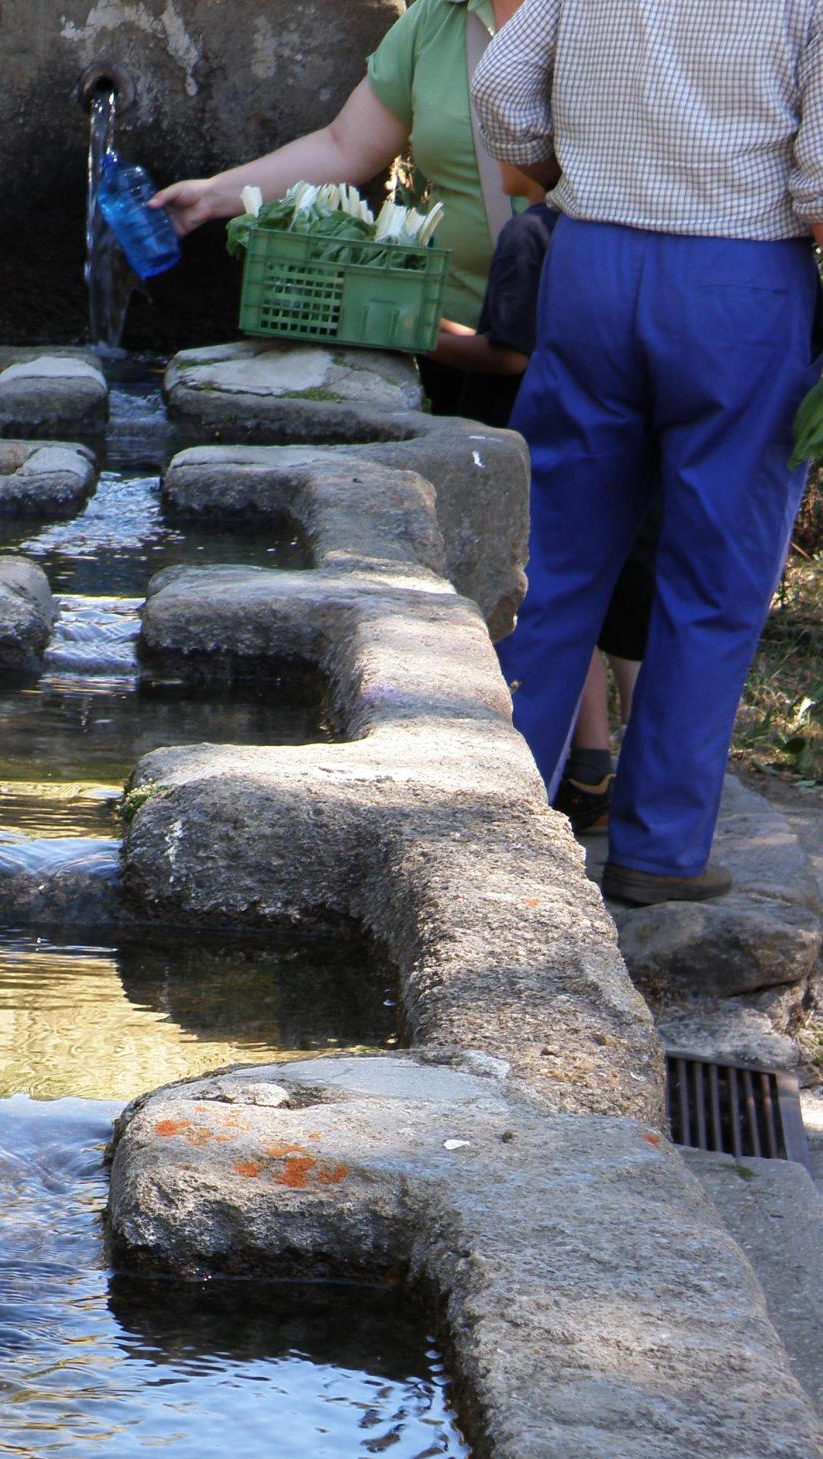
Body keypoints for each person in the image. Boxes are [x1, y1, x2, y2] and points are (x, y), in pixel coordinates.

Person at [472, 0, 823, 905]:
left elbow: (500, 86)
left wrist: (575, 176)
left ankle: (490, 831)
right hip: (742, 286)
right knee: (713, 580)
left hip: (591, 266)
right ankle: (659, 850)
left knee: (549, 562)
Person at [151, 0, 525, 410]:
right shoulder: (438, 18)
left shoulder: (579, 24)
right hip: (449, 338)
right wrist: (209, 197)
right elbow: (344, 146)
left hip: (560, 339)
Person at [431, 178, 651, 832]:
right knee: (629, 610)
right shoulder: (626, 236)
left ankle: (560, 778)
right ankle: (622, 782)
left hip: (538, 445)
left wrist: (417, 332)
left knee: (559, 597)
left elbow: (510, 353)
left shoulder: (530, 232)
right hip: (629, 441)